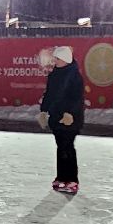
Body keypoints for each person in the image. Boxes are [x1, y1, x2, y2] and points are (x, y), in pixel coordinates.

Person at [37, 45, 86, 194]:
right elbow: (49, 94)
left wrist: (70, 113)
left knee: (68, 147)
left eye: (57, 58)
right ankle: (61, 177)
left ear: (65, 59)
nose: (55, 61)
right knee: (61, 147)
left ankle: (72, 180)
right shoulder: (54, 75)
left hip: (70, 119)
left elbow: (77, 98)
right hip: (56, 117)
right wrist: (44, 111)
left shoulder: (75, 76)